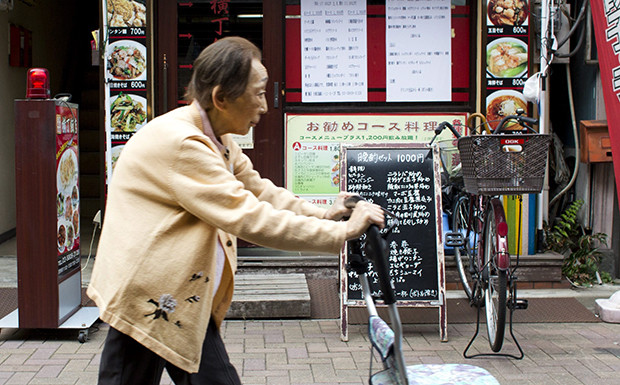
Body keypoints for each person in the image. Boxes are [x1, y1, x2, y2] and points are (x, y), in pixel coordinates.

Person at [87, 36, 384, 385]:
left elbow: (259, 190)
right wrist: (342, 234)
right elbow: (248, 216)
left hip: (170, 292)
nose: (265, 105)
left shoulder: (216, 136)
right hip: (152, 290)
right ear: (221, 98)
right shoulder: (185, 144)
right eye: (258, 93)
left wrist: (323, 214)